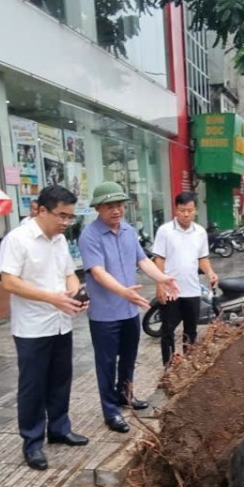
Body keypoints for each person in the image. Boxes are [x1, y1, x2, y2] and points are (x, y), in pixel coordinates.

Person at [0, 185, 91, 471]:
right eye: (61, 215)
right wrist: (53, 298)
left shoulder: (60, 241)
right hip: (32, 327)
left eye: (70, 217)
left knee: (60, 379)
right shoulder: (17, 240)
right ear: (41, 209)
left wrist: (75, 295)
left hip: (61, 323)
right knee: (32, 386)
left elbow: (69, 274)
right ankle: (32, 441)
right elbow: (9, 282)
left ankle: (60, 428)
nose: (65, 222)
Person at [80, 182, 179, 433]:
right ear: (98, 208)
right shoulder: (89, 236)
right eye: (110, 206)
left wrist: (162, 278)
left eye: (120, 205)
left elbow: (142, 259)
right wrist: (123, 292)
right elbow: (98, 272)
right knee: (106, 363)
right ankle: (110, 411)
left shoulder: (127, 230)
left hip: (129, 311)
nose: (116, 210)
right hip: (105, 313)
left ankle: (125, 395)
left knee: (129, 357)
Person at [152, 191, 218, 365]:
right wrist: (159, 285)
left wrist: (210, 272)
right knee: (167, 330)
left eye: (189, 210)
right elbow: (159, 259)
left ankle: (188, 366)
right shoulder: (164, 231)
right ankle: (168, 366)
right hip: (171, 291)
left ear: (195, 210)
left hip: (192, 290)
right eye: (182, 210)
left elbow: (202, 258)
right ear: (176, 210)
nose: (186, 214)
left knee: (191, 330)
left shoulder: (200, 232)